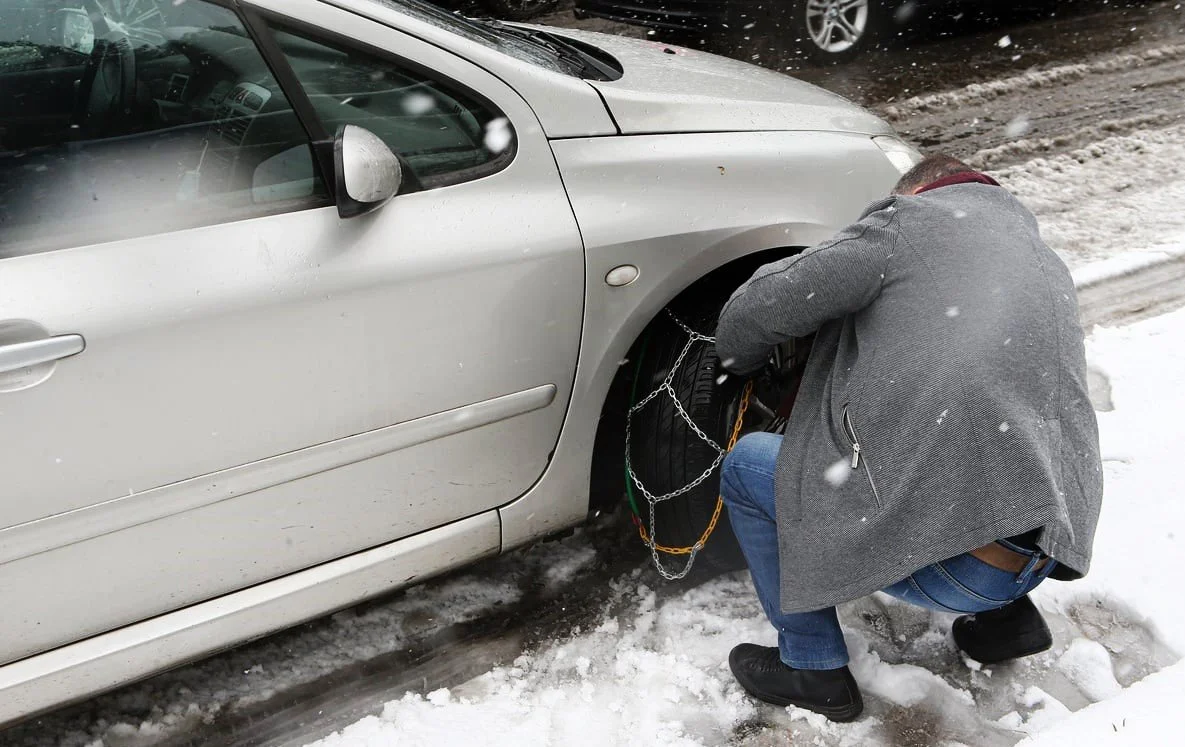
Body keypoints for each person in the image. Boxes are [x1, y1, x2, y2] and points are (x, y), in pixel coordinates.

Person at [713, 154, 1103, 722]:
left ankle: (812, 667)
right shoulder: (1040, 261)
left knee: (748, 467)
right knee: (994, 426)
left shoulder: (904, 224)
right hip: (1042, 550)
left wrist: (737, 362)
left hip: (956, 569)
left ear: (915, 192)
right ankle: (1006, 621)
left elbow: (758, 309)